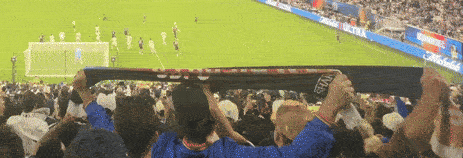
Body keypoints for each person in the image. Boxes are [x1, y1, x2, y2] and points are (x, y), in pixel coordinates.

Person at [151, 74, 355, 158]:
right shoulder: (228, 152)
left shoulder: (163, 147)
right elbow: (294, 155)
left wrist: (229, 132)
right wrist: (329, 108)